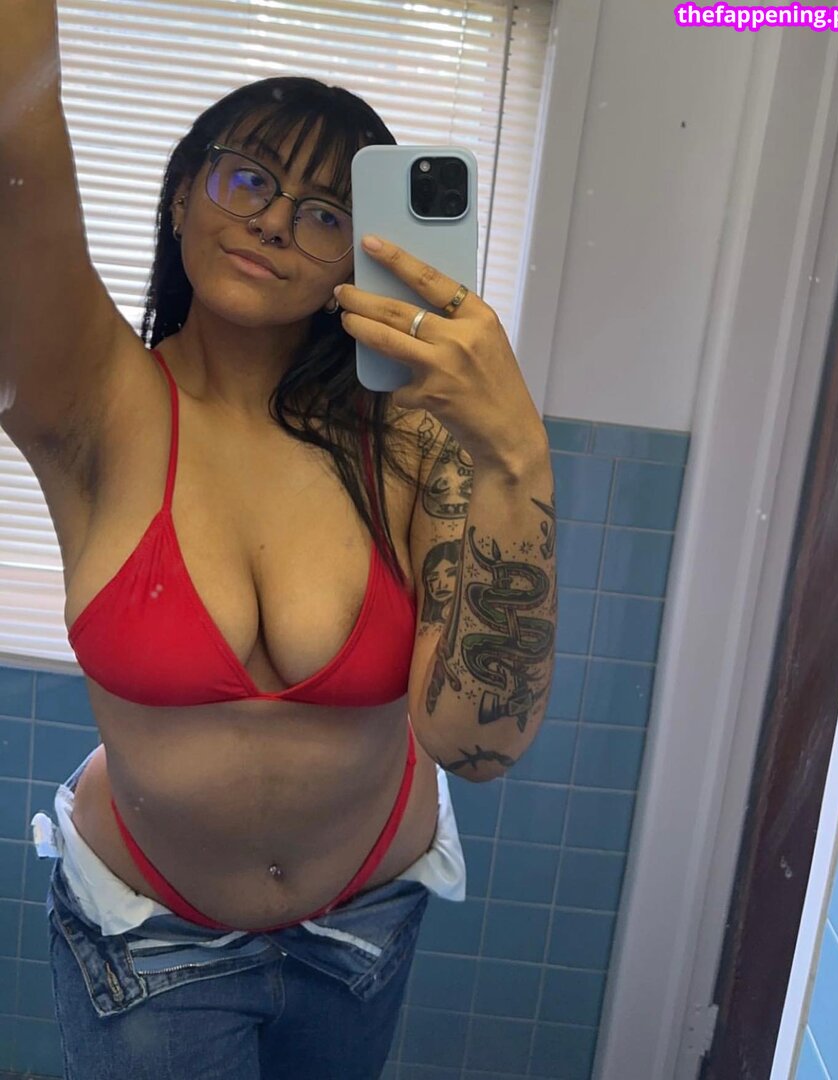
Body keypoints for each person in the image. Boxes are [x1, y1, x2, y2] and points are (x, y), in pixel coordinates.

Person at [3, 6, 557, 1079]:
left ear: (358, 253)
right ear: (181, 191)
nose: (271, 223)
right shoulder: (92, 404)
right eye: (248, 178)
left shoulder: (413, 439)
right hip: (146, 941)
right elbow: (17, 143)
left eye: (323, 213)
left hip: (362, 929)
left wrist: (515, 459)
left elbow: (477, 745)